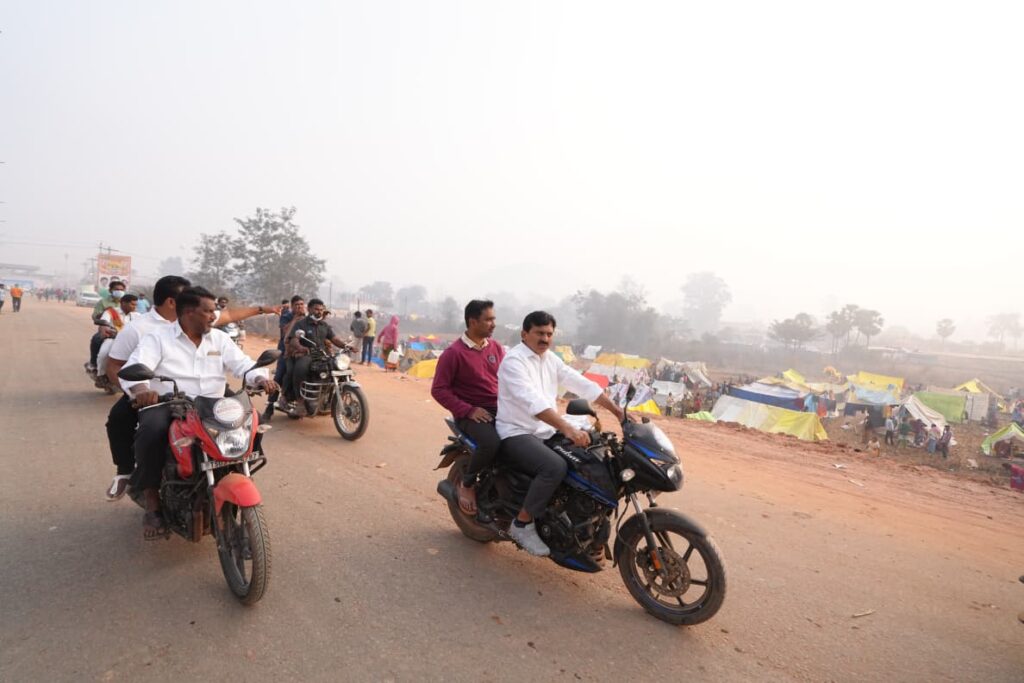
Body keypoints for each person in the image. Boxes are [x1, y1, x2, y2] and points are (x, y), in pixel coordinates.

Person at [103, 275, 279, 501]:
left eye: (215, 310)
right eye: (208, 311)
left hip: (213, 406)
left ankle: (235, 472)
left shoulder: (219, 338)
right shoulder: (156, 338)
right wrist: (141, 391)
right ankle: (152, 500)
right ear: (187, 312)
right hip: (170, 403)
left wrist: (260, 378)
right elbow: (137, 366)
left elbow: (243, 364)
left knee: (254, 421)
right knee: (151, 432)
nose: (215, 316)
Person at [496, 311, 625, 557]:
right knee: (554, 467)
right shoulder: (514, 362)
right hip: (517, 431)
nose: (545, 338)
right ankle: (522, 524)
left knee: (595, 458)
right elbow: (532, 402)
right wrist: (567, 428)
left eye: (549, 334)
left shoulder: (550, 359)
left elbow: (580, 383)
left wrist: (618, 413)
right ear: (525, 334)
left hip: (546, 429)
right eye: (539, 333)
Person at [431, 300, 505, 518]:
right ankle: (468, 483)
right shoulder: (453, 353)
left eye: (494, 319)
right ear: (473, 322)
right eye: (488, 320)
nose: (493, 324)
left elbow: (508, 380)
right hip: (471, 414)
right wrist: (469, 410)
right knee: (492, 442)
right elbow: (439, 390)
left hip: (500, 408)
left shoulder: (496, 348)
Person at [285, 298, 349, 416]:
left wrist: (346, 346)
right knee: (300, 369)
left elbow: (334, 339)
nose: (319, 312)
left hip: (322, 355)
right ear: (309, 309)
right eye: (316, 309)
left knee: (338, 368)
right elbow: (294, 339)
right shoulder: (301, 324)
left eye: (321, 309)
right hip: (307, 354)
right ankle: (300, 402)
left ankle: (331, 396)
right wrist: (301, 348)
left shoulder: (324, 325)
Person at [266, 296, 305, 414]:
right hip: (285, 350)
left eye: (302, 304)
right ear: (292, 306)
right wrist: (295, 319)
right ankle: (269, 407)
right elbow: (284, 331)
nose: (300, 307)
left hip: (299, 350)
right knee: (279, 375)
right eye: (297, 305)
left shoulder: (305, 317)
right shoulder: (286, 315)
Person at [86, 280, 128, 372]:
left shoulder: (127, 303)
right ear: (110, 290)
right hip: (108, 329)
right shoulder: (103, 302)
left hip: (125, 331)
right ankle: (93, 363)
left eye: (121, 289)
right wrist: (105, 312)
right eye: (116, 289)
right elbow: (95, 316)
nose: (119, 291)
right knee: (96, 339)